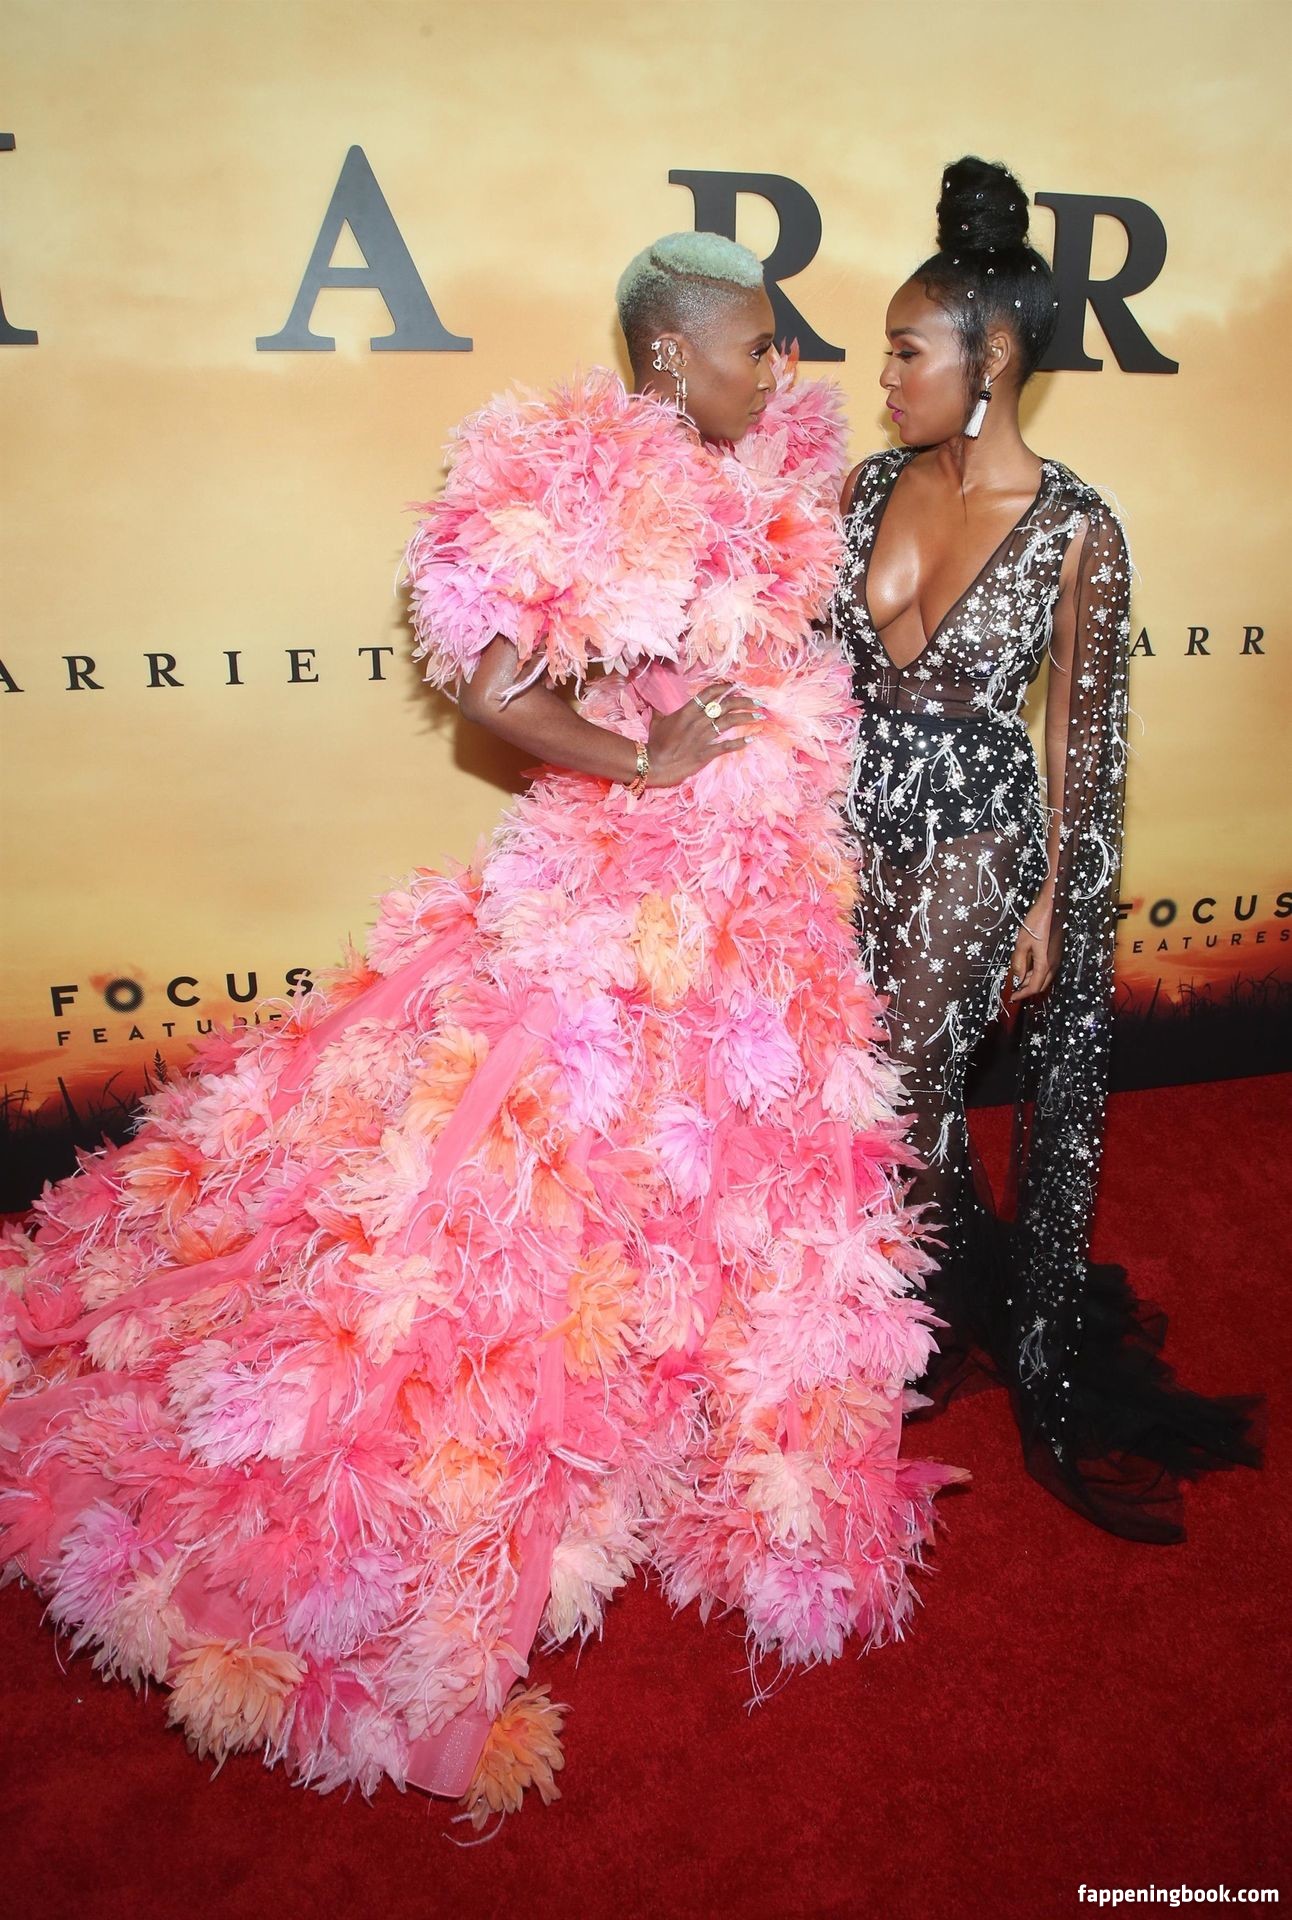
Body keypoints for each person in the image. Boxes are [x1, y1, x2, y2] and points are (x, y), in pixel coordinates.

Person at [0, 231, 960, 1826]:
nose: (780, 367)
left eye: (783, 343)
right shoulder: (577, 476)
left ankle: (712, 1423)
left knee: (748, 1162)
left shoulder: (771, 461)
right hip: (630, 893)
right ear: (669, 354)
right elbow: (491, 685)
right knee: (544, 1186)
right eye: (753, 344)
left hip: (765, 897)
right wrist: (644, 759)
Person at [834, 157, 1260, 1545]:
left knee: (902, 1086)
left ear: (992, 357)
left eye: (908, 350)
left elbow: (1083, 740)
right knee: (868, 1091)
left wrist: (1053, 904)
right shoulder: (860, 490)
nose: (884, 373)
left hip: (976, 840)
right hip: (847, 831)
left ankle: (946, 1315)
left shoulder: (1080, 532)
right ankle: (946, 1287)